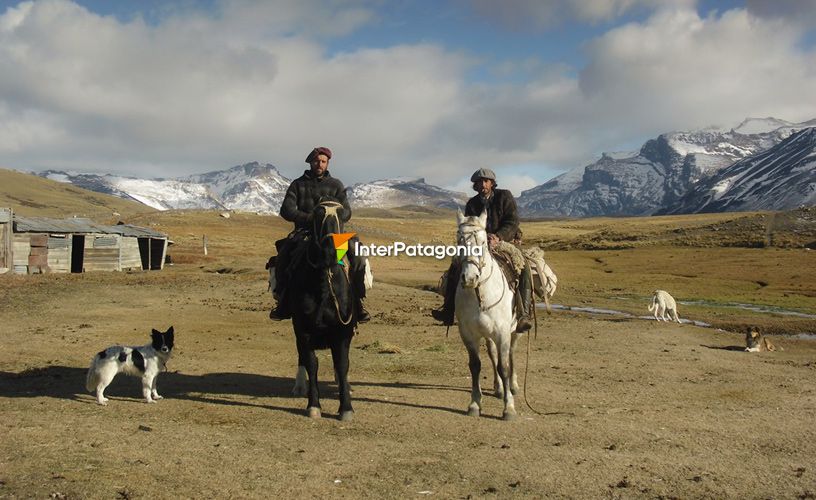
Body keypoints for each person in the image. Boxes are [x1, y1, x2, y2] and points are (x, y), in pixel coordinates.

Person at [270, 146, 370, 323]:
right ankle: (283, 301)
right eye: (317, 161)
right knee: (284, 256)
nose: (320, 164)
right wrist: (312, 219)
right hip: (305, 233)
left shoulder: (336, 185)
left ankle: (358, 301)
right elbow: (287, 210)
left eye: (323, 161)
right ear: (310, 162)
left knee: (359, 258)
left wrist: (331, 219)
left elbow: (346, 212)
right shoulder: (297, 185)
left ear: (327, 163)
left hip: (335, 235)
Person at [431, 168, 533, 332]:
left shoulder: (504, 196)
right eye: (479, 182)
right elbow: (470, 226)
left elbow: (512, 221)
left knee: (523, 265)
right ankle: (448, 310)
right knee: (455, 266)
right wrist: (481, 240)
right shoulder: (472, 203)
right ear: (475, 185)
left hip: (503, 241)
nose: (482, 184)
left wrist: (498, 236)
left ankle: (524, 314)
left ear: (492, 183)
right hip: (479, 244)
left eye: (486, 181)